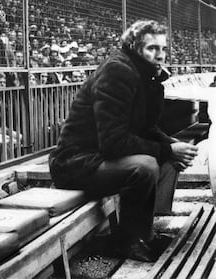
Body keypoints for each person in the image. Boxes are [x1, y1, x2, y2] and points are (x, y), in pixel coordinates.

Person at [49, 20, 198, 262]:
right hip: (74, 164)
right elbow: (113, 143)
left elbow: (146, 127)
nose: (160, 56)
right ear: (134, 47)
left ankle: (146, 233)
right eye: (152, 49)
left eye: (163, 49)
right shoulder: (118, 71)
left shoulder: (142, 73)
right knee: (146, 164)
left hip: (99, 160)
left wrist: (170, 146)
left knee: (169, 150)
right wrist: (168, 150)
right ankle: (125, 241)